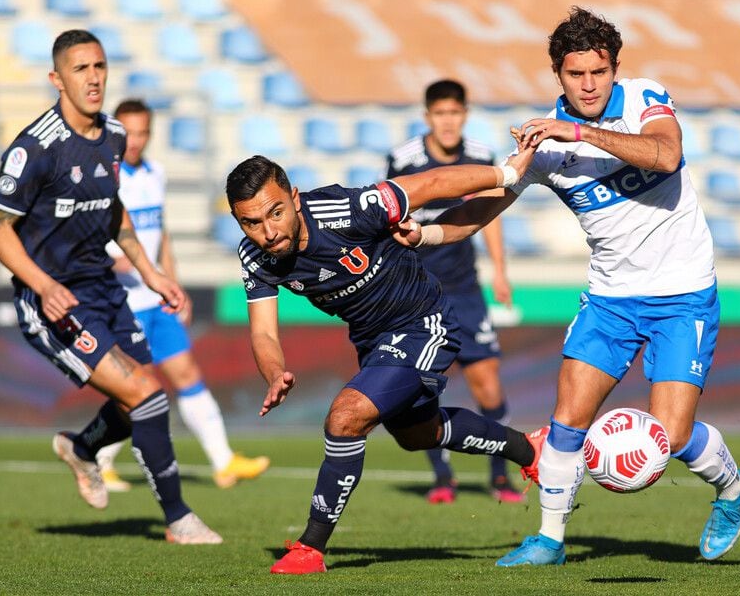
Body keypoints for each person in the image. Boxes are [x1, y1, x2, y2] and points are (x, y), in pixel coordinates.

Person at [410, 7, 740, 566]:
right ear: (558, 75)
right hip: (610, 299)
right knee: (568, 415)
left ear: (615, 69)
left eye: (600, 72)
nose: (589, 85)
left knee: (668, 436)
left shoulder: (644, 99)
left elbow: (665, 156)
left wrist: (575, 130)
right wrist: (423, 233)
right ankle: (548, 540)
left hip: (683, 292)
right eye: (576, 75)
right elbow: (483, 209)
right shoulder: (543, 145)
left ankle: (734, 488)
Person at [226, 150, 546, 575]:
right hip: (373, 342)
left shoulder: (346, 210)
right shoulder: (255, 257)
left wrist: (505, 173)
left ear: (295, 198)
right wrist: (273, 372)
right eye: (251, 222)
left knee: (345, 417)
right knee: (418, 435)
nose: (267, 231)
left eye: (275, 213)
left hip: (423, 323)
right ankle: (529, 448)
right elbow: (264, 333)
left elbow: (429, 185)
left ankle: (310, 547)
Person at [0, 29, 221, 544]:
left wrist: (153, 273)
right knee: (146, 393)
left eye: (99, 66)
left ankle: (83, 449)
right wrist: (43, 285)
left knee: (136, 398)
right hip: (53, 299)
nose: (93, 78)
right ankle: (180, 519)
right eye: (79, 69)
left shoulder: (113, 136)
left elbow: (114, 212)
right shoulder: (34, 150)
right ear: (57, 79)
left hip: (105, 288)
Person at [95, 99, 270, 491]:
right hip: (122, 303)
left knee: (187, 374)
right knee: (135, 387)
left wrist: (174, 286)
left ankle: (224, 463)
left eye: (143, 132)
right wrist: (115, 262)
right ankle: (98, 459)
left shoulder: (154, 173)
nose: (135, 141)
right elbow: (83, 242)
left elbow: (162, 235)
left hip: (155, 299)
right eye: (128, 132)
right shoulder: (101, 177)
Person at [386, 79, 522, 504]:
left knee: (488, 383)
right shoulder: (403, 159)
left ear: (465, 115)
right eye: (440, 114)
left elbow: (491, 214)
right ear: (428, 117)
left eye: (455, 113)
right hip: (417, 291)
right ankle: (442, 477)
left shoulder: (481, 157)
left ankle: (500, 476)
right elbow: (388, 218)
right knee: (422, 385)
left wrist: (500, 271)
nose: (448, 122)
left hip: (464, 287)